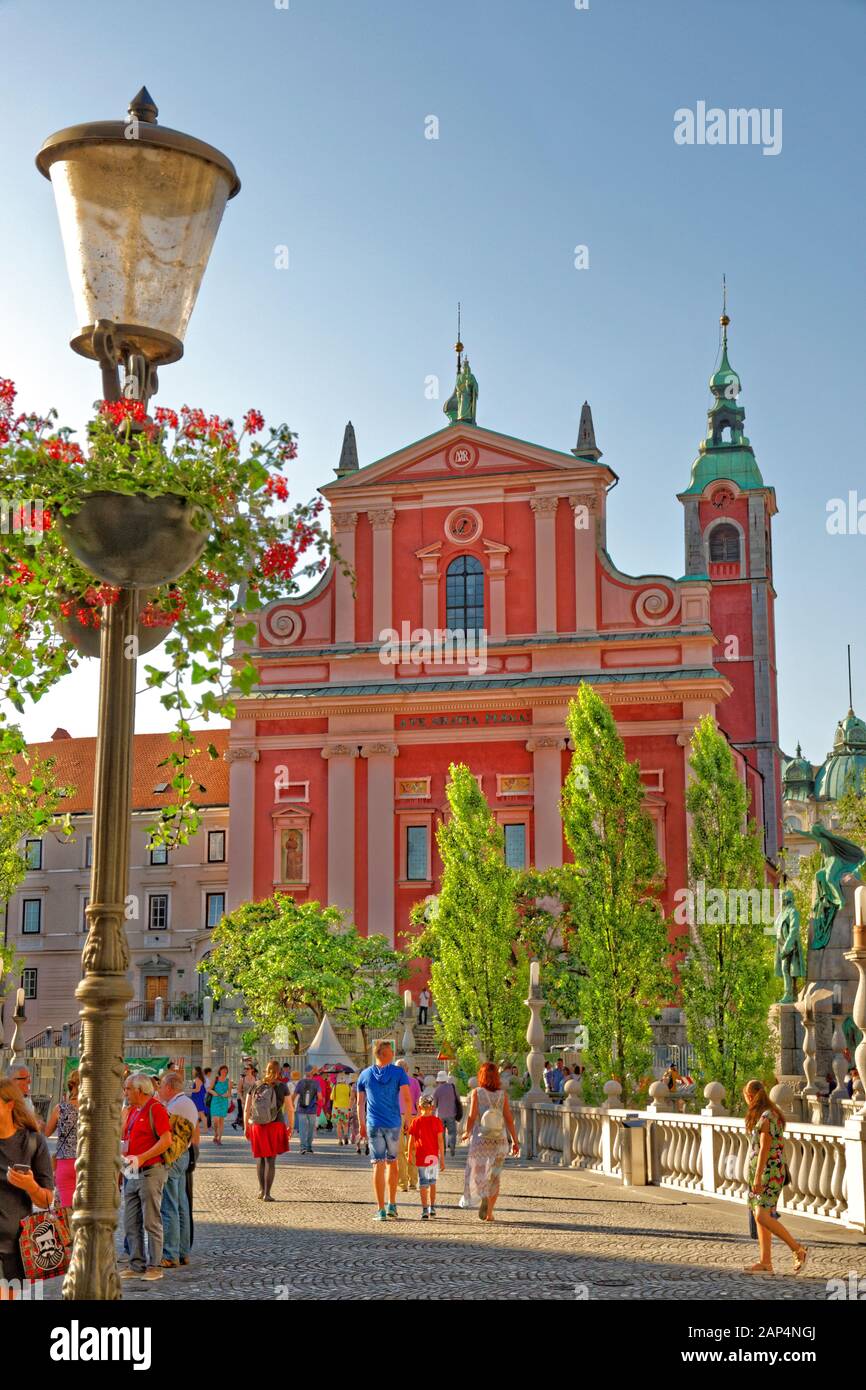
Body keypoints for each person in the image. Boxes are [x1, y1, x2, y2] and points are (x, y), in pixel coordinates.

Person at [742, 1078, 807, 1275]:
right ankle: (765, 1262)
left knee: (762, 1215)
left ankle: (798, 1249)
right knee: (760, 1216)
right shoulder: (768, 1114)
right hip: (766, 1173)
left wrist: (757, 1177)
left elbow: (764, 1149)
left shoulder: (768, 1117)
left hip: (768, 1174)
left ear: (750, 1096)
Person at [0, 1079, 54, 1297]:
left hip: (15, 1246)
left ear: (10, 1105)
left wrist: (31, 1186)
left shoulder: (33, 1142)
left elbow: (47, 1200)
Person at [120, 1072, 172, 1281]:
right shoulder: (133, 1110)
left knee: (151, 1221)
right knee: (131, 1221)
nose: (125, 1092)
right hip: (131, 1172)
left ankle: (155, 1266)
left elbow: (166, 1140)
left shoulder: (155, 1109)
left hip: (150, 1171)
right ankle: (137, 1264)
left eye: (128, 1089)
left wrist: (142, 1157)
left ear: (140, 1090)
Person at [356, 1041, 411, 1222]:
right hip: (394, 1123)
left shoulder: (364, 1075)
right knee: (392, 1163)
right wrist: (408, 1120)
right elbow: (407, 1098)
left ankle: (380, 1209)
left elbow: (359, 1103)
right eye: (392, 1051)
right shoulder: (399, 1073)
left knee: (377, 1165)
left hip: (373, 1124)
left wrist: (361, 1125)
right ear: (387, 1054)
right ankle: (392, 1204)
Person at [461, 1061, 519, 1222]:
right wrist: (515, 1140)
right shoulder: (503, 1095)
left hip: (481, 1139)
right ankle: (490, 1213)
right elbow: (509, 1119)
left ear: (481, 1076)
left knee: (478, 1172)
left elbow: (472, 1116)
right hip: (499, 1140)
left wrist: (467, 1132)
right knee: (495, 1177)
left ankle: (483, 1194)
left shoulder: (477, 1093)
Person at [158, 1070, 198, 1269]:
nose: (159, 1089)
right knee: (181, 1204)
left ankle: (170, 1253)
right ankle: (183, 1252)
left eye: (161, 1086)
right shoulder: (186, 1103)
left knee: (170, 1206)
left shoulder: (175, 1105)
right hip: (184, 1155)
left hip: (174, 1157)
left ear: (169, 1087)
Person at [246, 1060, 292, 1200]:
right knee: (270, 1160)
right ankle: (267, 1193)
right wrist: (291, 1125)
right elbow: (290, 1108)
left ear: (266, 1070)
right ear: (279, 1071)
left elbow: (247, 1107)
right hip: (275, 1124)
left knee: (260, 1157)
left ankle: (261, 1190)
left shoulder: (256, 1085)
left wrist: (246, 1125)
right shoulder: (282, 1087)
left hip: (258, 1125)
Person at [44, 1068, 79, 1208]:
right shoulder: (93, 1110)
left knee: (64, 1211)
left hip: (65, 1163)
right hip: (88, 1164)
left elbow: (46, 1132)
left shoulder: (60, 1108)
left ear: (71, 1085)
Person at [408, 1094, 445, 1219]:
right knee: (432, 1183)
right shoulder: (437, 1121)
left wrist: (409, 1155)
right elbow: (440, 1141)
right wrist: (443, 1159)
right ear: (433, 1107)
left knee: (423, 1184)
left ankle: (424, 1210)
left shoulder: (416, 1122)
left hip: (421, 1156)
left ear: (419, 1107)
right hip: (433, 1157)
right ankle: (432, 1207)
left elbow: (411, 1140)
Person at [396, 1056, 420, 1192]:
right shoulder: (414, 1082)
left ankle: (403, 1183)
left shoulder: (393, 1083)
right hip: (412, 1116)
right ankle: (413, 1181)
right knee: (412, 1150)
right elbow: (417, 1103)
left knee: (399, 1151)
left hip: (397, 1117)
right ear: (407, 1069)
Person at [432, 1070, 462, 1158]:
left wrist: (433, 1116)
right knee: (452, 1132)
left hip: (440, 1115)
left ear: (438, 1080)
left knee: (441, 1133)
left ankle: (443, 1150)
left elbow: (434, 1105)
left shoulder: (437, 1090)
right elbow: (458, 1098)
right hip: (451, 1114)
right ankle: (452, 1146)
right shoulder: (453, 1087)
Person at [294, 1067, 321, 1155]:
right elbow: (320, 1097)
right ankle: (309, 1147)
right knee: (310, 1129)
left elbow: (294, 1095)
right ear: (312, 1074)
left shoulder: (300, 1082)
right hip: (312, 1109)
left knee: (302, 1129)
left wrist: (291, 1104)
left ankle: (302, 1147)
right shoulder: (316, 1083)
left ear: (305, 1073)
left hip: (301, 1109)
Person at [6, 1066, 42, 1130]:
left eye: (29, 1078)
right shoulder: (5, 1100)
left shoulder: (26, 1098)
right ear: (12, 1081)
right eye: (25, 1078)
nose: (29, 1081)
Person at [208, 1065, 230, 1144]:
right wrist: (213, 1092)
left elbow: (229, 1093)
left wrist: (226, 1095)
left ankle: (219, 1139)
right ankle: (216, 1133)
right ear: (220, 1071)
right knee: (215, 1120)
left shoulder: (228, 1081)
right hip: (215, 1101)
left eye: (225, 1070)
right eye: (222, 1070)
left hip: (223, 1101)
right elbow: (209, 1089)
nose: (224, 1072)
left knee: (221, 1120)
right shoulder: (216, 1079)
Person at [234, 1063, 258, 1134]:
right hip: (245, 1100)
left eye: (247, 1069)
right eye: (245, 1069)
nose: (246, 1070)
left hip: (254, 1101)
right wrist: (242, 1099)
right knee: (246, 1114)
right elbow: (238, 1090)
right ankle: (246, 1128)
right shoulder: (242, 1079)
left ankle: (252, 1129)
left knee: (253, 1115)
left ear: (252, 1070)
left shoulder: (256, 1079)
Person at [332, 1073, 353, 1146]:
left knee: (338, 1125)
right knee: (346, 1124)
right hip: (346, 1107)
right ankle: (346, 1135)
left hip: (337, 1108)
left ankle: (340, 1140)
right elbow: (351, 1097)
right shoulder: (349, 1087)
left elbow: (331, 1097)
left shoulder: (335, 1087)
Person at [191, 1068, 208, 1133]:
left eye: (194, 1071)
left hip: (197, 1098)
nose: (193, 1072)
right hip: (198, 1098)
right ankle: (197, 1129)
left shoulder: (198, 1079)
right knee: (198, 1115)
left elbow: (197, 1089)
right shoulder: (200, 1079)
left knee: (201, 1114)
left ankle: (205, 1129)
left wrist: (190, 1090)